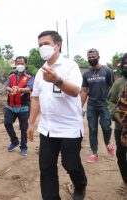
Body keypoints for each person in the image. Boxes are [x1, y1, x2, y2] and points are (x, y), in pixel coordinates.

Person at [27, 30, 87, 200]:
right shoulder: (40, 72)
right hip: (47, 128)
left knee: (71, 164)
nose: (42, 48)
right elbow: (36, 99)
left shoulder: (70, 66)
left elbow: (75, 91)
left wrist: (57, 80)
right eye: (39, 45)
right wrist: (31, 124)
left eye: (46, 44)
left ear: (58, 45)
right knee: (46, 168)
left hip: (69, 128)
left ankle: (81, 185)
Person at [81, 48, 115, 163]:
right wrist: (81, 106)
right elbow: (84, 90)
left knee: (106, 127)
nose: (91, 59)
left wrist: (112, 104)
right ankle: (94, 153)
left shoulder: (107, 70)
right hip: (92, 106)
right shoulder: (86, 74)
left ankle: (107, 143)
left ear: (98, 56)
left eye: (93, 57)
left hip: (105, 105)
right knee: (92, 129)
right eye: (89, 57)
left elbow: (112, 88)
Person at [4, 56, 34, 156]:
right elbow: (6, 86)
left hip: (23, 106)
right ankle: (14, 141)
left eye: (22, 63)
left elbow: (30, 89)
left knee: (23, 128)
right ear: (15, 64)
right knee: (7, 123)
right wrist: (10, 89)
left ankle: (24, 147)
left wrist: (19, 89)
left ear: (26, 64)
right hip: (10, 105)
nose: (19, 65)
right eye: (18, 63)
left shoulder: (30, 76)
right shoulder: (11, 75)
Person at [107, 53, 127, 196]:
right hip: (121, 128)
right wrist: (116, 116)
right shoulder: (118, 83)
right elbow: (110, 102)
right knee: (121, 155)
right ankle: (126, 181)